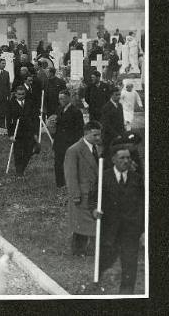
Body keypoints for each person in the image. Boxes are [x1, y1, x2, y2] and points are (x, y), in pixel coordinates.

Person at [91, 145, 144, 294]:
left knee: (129, 263)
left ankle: (126, 293)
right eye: (122, 158)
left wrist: (142, 229)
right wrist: (94, 210)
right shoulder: (104, 177)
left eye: (128, 158)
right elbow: (93, 198)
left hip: (130, 229)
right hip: (109, 228)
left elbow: (142, 205)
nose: (126, 161)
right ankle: (97, 283)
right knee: (105, 259)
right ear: (113, 159)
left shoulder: (137, 179)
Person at [64, 121, 103, 256]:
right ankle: (78, 251)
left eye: (99, 135)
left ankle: (92, 250)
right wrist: (75, 195)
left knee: (93, 222)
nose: (98, 138)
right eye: (95, 135)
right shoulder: (74, 150)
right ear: (86, 134)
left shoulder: (97, 148)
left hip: (95, 193)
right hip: (82, 194)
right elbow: (70, 175)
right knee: (80, 224)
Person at [49, 90, 84, 189]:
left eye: (63, 98)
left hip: (70, 142)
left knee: (70, 164)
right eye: (59, 99)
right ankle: (60, 184)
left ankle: (70, 183)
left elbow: (80, 130)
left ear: (69, 98)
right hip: (59, 141)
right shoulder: (59, 109)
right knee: (58, 163)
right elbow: (55, 124)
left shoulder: (76, 111)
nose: (61, 100)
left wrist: (75, 143)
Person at [6, 86, 38, 178]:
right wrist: (10, 135)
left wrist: (35, 133)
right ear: (15, 94)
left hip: (29, 131)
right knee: (18, 153)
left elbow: (35, 118)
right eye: (19, 94)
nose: (21, 96)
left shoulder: (29, 103)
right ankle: (19, 172)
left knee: (28, 151)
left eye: (23, 94)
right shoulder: (11, 104)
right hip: (17, 132)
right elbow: (8, 120)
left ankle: (22, 168)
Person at [100, 87, 125, 163]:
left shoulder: (120, 106)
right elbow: (106, 124)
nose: (118, 96)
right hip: (109, 136)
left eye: (119, 94)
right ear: (111, 95)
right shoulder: (106, 107)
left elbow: (121, 120)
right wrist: (115, 135)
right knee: (109, 156)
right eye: (116, 95)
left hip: (119, 135)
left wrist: (122, 132)